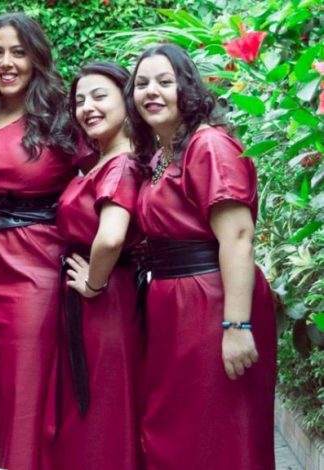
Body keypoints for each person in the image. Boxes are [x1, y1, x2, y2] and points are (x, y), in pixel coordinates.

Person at [127, 43, 276, 469]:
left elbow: (239, 236)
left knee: (219, 432)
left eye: (164, 81)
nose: (151, 91)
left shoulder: (208, 144)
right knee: (181, 430)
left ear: (187, 88)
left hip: (212, 303)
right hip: (175, 305)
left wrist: (237, 326)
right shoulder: (164, 152)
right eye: (141, 84)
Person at [0, 13, 77, 470]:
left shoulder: (62, 118)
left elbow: (107, 171)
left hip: (36, 268)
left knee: (27, 387)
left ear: (36, 59)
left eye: (18, 52)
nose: (6, 63)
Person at [54, 62, 143, 469]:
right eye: (80, 100)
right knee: (93, 402)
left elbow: (110, 236)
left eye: (100, 96)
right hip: (97, 302)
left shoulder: (120, 164)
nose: (87, 107)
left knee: (102, 404)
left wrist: (93, 283)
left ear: (126, 100)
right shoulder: (102, 159)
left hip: (105, 304)